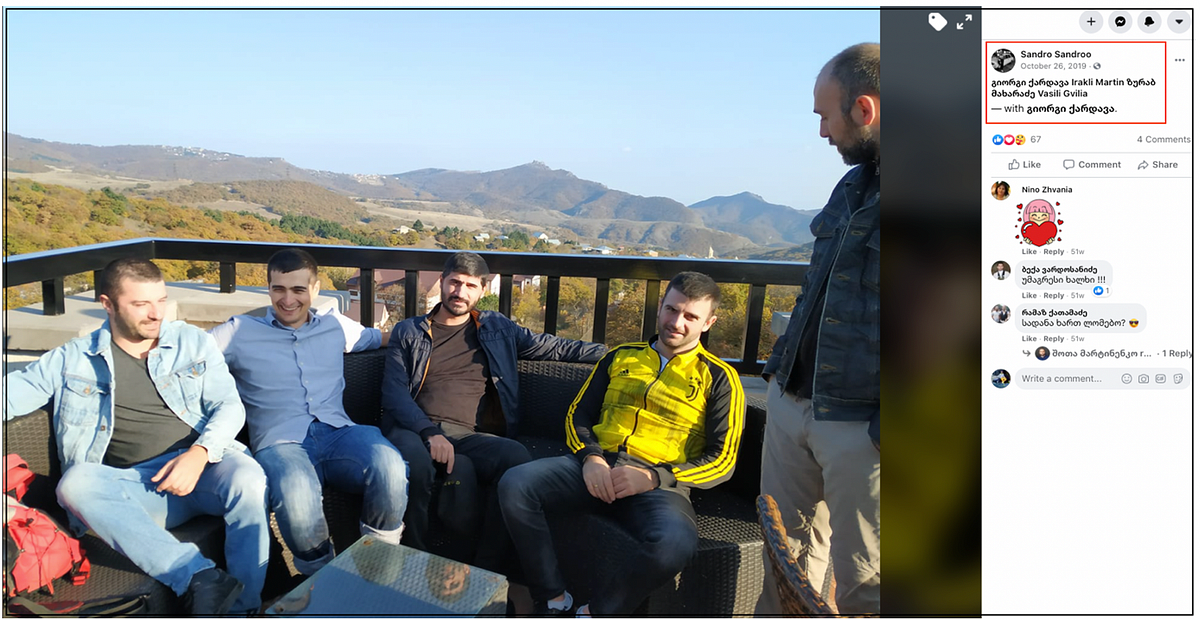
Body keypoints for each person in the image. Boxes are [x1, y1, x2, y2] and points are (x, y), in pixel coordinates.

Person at [4, 258, 268, 615]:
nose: (156, 313)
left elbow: (229, 406)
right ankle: (199, 576)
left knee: (249, 479)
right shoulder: (72, 359)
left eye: (161, 301)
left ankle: (244, 611)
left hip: (204, 470)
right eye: (141, 304)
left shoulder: (190, 341)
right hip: (134, 488)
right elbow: (12, 394)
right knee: (75, 484)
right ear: (108, 304)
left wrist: (200, 453)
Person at [499, 271, 745, 616]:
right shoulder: (621, 356)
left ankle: (596, 612)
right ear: (660, 307)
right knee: (516, 484)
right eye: (672, 310)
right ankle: (552, 598)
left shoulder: (720, 378)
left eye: (690, 316)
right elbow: (578, 414)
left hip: (659, 484)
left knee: (675, 544)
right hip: (596, 465)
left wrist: (655, 477)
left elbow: (723, 460)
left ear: (708, 323)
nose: (677, 322)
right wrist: (591, 458)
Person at [382, 251, 606, 575]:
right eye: (455, 282)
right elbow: (394, 394)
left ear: (482, 290)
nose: (460, 292)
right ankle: (414, 559)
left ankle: (485, 569)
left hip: (467, 436)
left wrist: (611, 353)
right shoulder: (409, 331)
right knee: (416, 465)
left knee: (515, 457)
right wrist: (429, 432)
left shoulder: (497, 328)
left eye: (470, 286)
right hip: (415, 428)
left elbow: (553, 346)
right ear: (442, 282)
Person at [758, 43, 880, 616]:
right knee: (784, 569)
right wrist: (781, 372)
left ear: (864, 109)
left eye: (825, 116)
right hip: (793, 401)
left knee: (869, 587)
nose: (822, 132)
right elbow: (819, 285)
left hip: (863, 425)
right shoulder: (852, 186)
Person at [209, 248, 408, 576]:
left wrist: (435, 337)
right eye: (279, 289)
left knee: (390, 465)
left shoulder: (335, 326)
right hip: (280, 443)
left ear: (315, 289)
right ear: (268, 288)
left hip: (339, 433)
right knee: (296, 494)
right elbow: (187, 353)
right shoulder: (238, 332)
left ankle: (378, 565)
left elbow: (383, 338)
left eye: (298, 290)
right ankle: (321, 578)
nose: (288, 300)